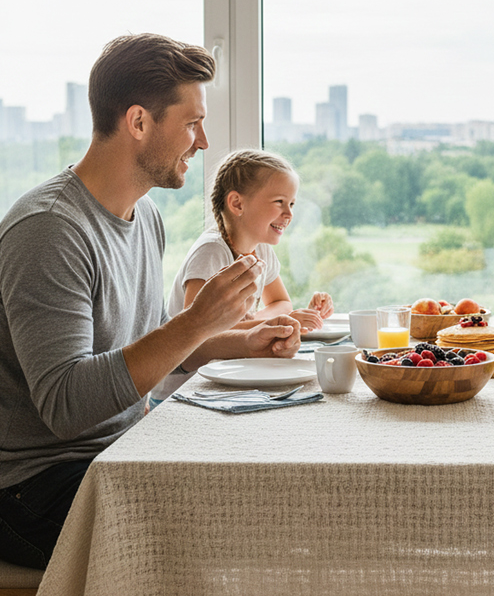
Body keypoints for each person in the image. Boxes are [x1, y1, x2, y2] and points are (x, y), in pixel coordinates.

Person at [0, 34, 303, 570]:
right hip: (36, 487)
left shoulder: (145, 219)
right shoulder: (50, 231)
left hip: (118, 449)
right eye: (191, 124)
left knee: (275, 472)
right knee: (243, 533)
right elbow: (66, 405)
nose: (203, 141)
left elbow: (150, 346)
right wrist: (198, 322)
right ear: (138, 122)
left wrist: (239, 340)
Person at [148, 149, 335, 408]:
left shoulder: (262, 250)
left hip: (224, 380)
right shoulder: (211, 252)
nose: (289, 214)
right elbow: (196, 332)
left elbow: (281, 302)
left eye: (291, 204)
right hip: (182, 393)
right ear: (237, 204)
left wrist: (266, 322)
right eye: (279, 202)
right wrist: (271, 325)